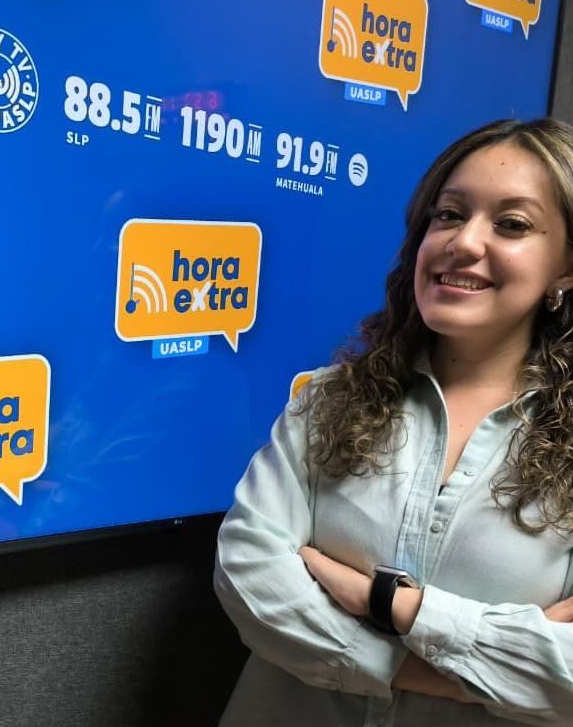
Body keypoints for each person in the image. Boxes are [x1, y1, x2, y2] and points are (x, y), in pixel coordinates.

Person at [214, 118, 573, 727]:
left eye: (512, 224)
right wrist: (439, 671)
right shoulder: (328, 399)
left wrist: (392, 604)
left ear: (566, 269)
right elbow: (248, 573)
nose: (464, 241)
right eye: (449, 214)